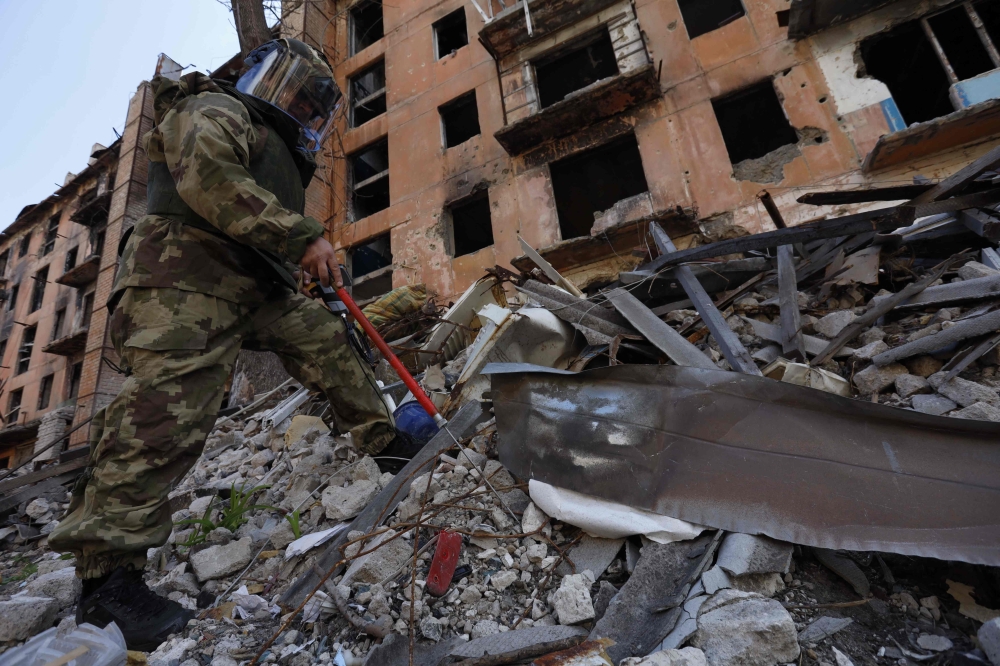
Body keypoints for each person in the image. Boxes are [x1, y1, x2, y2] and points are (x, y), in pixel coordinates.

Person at [49, 39, 416, 651]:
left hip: (252, 285)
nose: (299, 106)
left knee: (326, 339)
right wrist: (298, 234)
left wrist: (292, 258)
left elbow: (255, 219)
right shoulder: (213, 109)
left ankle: (386, 444)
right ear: (265, 79)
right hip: (180, 280)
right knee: (163, 415)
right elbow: (211, 177)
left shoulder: (280, 150)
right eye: (295, 91)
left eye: (311, 101)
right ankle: (108, 584)